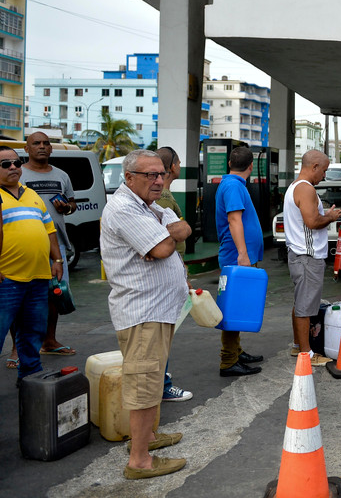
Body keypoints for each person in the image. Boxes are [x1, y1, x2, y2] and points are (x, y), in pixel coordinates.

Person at [100, 149, 189, 479]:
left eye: (161, 174)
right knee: (143, 383)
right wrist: (165, 238)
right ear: (129, 178)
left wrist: (167, 233)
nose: (158, 180)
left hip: (159, 309)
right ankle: (139, 461)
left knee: (151, 381)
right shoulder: (124, 208)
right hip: (143, 311)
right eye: (150, 175)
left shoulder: (150, 207)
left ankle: (148, 438)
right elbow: (163, 248)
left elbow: (184, 229)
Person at [0, 146, 62, 384]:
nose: (14, 167)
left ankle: (30, 378)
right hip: (7, 279)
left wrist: (56, 259)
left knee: (33, 332)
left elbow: (49, 229)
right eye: (6, 165)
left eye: (17, 162)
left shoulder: (31, 194)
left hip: (38, 278)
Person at [20, 131, 77, 356]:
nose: (42, 147)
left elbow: (72, 203)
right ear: (27, 148)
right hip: (26, 246)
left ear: (52, 149)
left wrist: (67, 207)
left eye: (46, 143)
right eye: (36, 143)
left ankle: (49, 341)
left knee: (55, 294)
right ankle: (18, 349)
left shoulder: (62, 176)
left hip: (56, 245)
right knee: (22, 297)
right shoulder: (18, 175)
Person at [284, 149, 341, 367]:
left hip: (299, 255)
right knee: (305, 306)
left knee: (301, 302)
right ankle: (307, 354)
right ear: (314, 166)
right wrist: (330, 217)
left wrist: (325, 215)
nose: (324, 176)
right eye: (324, 170)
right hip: (307, 256)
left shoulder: (294, 187)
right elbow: (312, 222)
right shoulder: (306, 189)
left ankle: (299, 346)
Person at [215, 147, 265, 376]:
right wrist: (243, 255)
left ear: (228, 164)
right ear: (251, 166)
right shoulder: (234, 186)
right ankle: (228, 361)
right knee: (234, 308)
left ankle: (236, 351)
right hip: (237, 257)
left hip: (239, 256)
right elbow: (234, 219)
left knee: (239, 305)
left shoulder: (233, 184)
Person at [154, 146, 193, 402]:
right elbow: (169, 237)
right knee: (163, 333)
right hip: (168, 274)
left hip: (171, 270)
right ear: (174, 166)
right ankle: (162, 385)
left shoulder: (162, 197)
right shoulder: (165, 198)